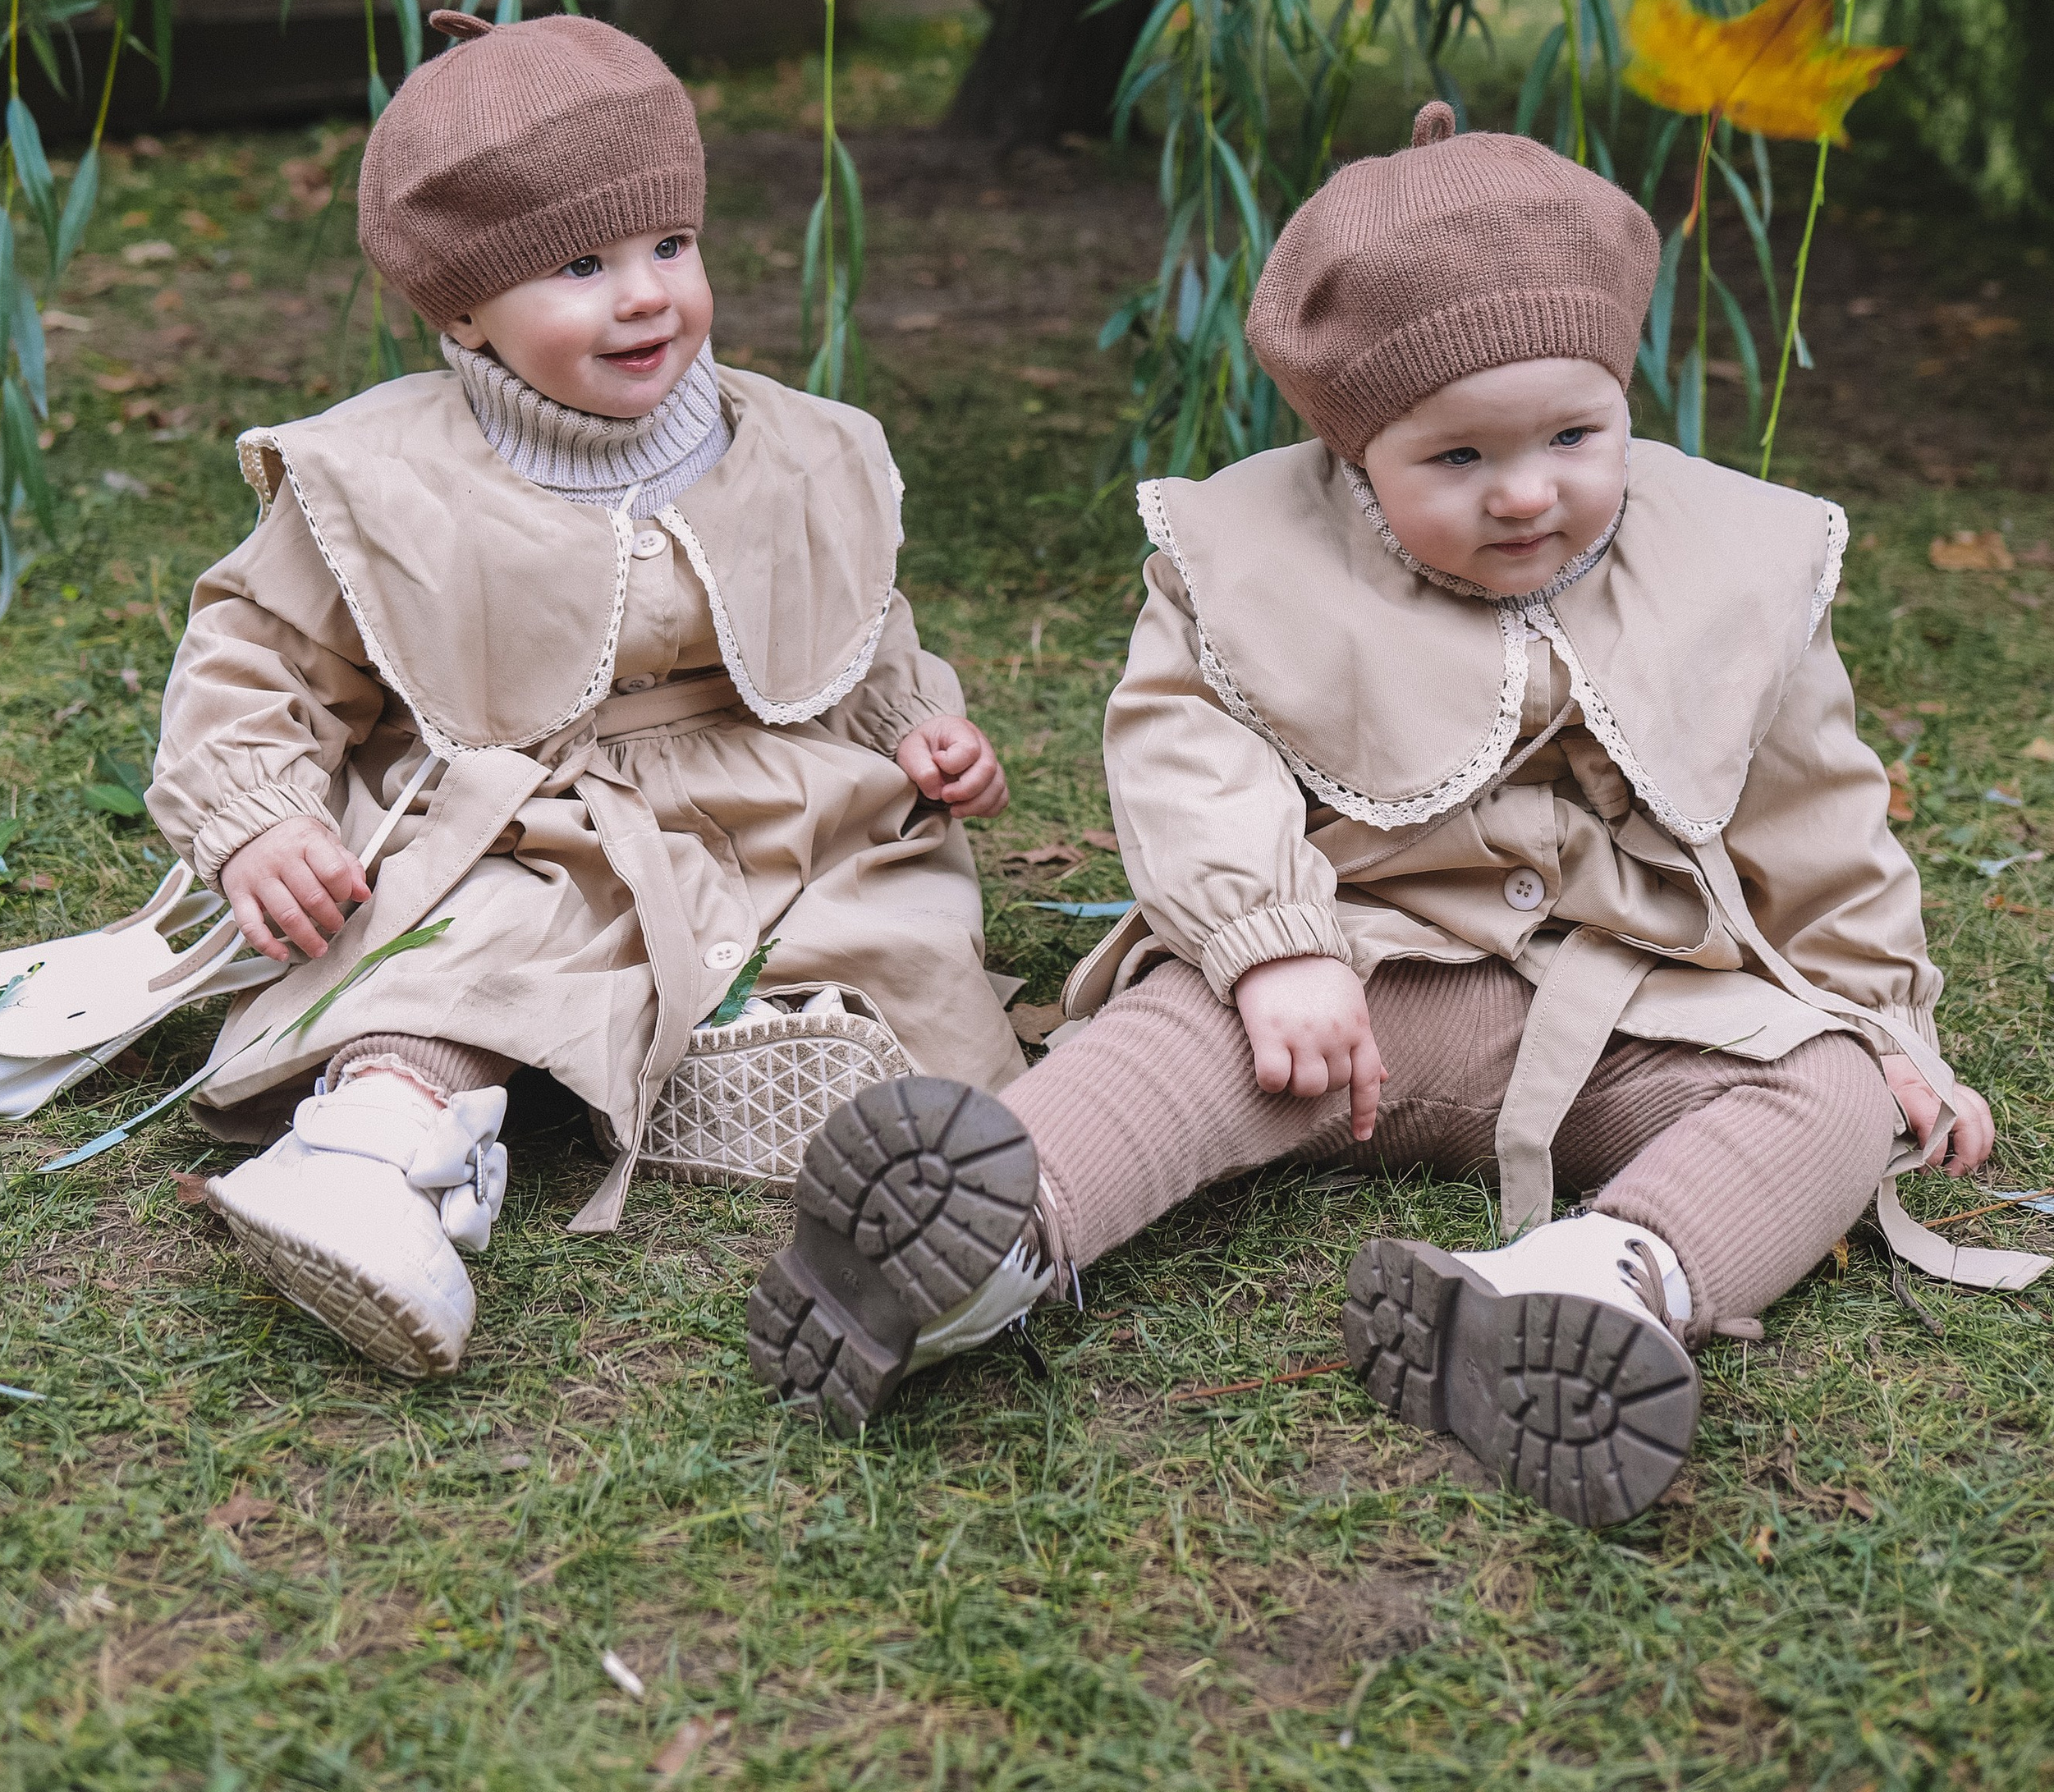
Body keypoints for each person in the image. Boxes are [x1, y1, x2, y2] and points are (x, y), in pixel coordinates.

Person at [748, 104, 1998, 1526]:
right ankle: (992, 1238)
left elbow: (1820, 818)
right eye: (1456, 459)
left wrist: (1885, 1019)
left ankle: (1595, 1285)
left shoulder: (1736, 565)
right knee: (1179, 1044)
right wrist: (1269, 942)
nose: (1528, 490)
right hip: (1354, 990)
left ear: (1624, 400)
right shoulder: (1255, 560)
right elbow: (1185, 751)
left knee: (1826, 1094)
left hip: (1636, 1014)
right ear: (1353, 449)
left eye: (1576, 435)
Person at [149, 11, 1020, 1378]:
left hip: (776, 795)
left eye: (670, 245)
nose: (646, 295)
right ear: (461, 309)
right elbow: (258, 654)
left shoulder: (782, 444)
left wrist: (912, 725)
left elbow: (853, 617)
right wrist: (258, 815)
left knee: (897, 946)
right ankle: (379, 1153)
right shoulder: (389, 476)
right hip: (528, 805)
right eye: (579, 264)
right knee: (463, 947)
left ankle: (872, 1145)